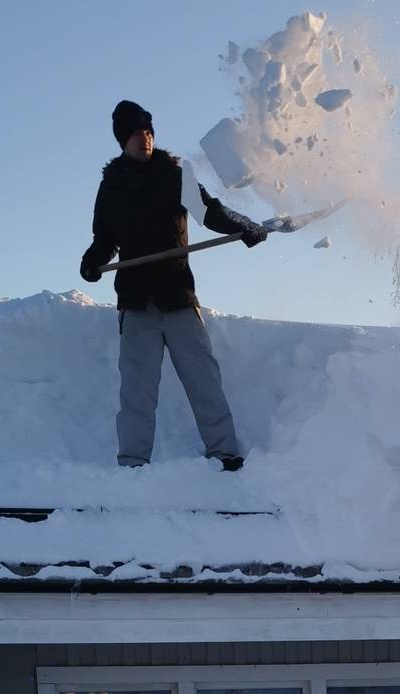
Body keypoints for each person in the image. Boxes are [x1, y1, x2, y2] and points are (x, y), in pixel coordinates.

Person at [80, 99, 267, 470]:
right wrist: (92, 261)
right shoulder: (111, 187)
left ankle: (225, 453)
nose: (144, 138)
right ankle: (133, 463)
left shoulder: (176, 175)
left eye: (148, 131)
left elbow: (209, 211)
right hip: (136, 303)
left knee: (203, 379)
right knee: (137, 390)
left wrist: (242, 225)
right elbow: (105, 238)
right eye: (136, 133)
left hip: (178, 295)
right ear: (122, 140)